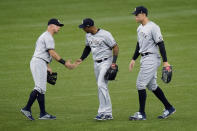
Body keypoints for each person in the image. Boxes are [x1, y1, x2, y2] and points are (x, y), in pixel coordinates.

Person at [21, 18, 74, 120]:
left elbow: (42, 52)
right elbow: (52, 53)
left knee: (41, 89)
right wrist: (64, 63)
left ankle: (43, 113)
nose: (59, 28)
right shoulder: (48, 37)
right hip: (38, 62)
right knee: (39, 87)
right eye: (58, 25)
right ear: (51, 26)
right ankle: (26, 108)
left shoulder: (45, 36)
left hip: (40, 62)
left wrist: (47, 66)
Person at [129, 6, 176, 120]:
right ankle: (169, 108)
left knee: (140, 84)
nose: (135, 16)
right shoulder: (139, 28)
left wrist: (165, 62)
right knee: (152, 86)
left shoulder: (153, 27)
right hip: (144, 58)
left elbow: (161, 43)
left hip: (152, 58)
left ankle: (141, 114)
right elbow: (139, 44)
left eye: (137, 14)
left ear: (143, 14)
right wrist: (133, 59)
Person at [74, 18, 119, 120]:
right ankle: (108, 113)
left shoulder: (105, 34)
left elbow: (115, 47)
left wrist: (113, 63)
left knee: (101, 84)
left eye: (84, 27)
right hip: (96, 64)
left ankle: (102, 112)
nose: (83, 29)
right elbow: (88, 47)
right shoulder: (88, 35)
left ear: (89, 26)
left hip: (106, 62)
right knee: (102, 87)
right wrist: (81, 58)